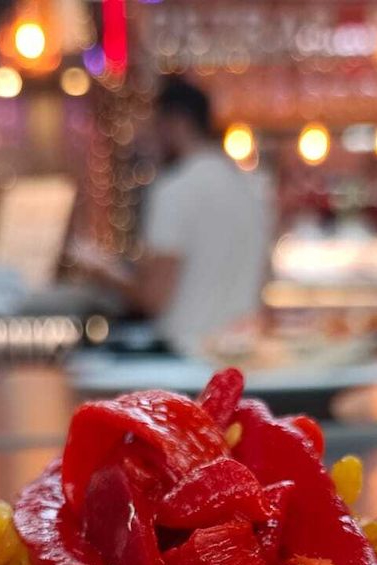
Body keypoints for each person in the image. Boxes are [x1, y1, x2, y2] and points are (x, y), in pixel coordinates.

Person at [73, 77, 273, 356]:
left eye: (155, 125)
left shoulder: (176, 189)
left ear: (176, 123)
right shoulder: (251, 188)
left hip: (185, 359)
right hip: (241, 355)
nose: (151, 137)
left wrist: (103, 272)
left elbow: (153, 298)